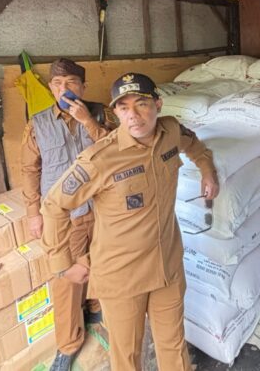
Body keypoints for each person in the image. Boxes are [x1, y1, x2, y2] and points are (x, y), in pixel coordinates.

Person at [40, 72, 219, 371]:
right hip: (122, 277)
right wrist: (62, 265)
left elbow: (194, 145)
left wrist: (206, 169)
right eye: (123, 108)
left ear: (158, 104)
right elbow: (54, 205)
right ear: (116, 111)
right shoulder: (100, 159)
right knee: (127, 357)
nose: (133, 116)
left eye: (141, 104)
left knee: (173, 346)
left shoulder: (171, 131)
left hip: (167, 266)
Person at [20, 58, 117, 371]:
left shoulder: (101, 113)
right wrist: (33, 213)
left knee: (102, 263)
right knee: (65, 281)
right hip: (64, 216)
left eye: (72, 83)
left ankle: (95, 305)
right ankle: (68, 344)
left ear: (83, 87)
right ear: (51, 88)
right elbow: (29, 169)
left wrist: (88, 120)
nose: (65, 89)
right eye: (58, 84)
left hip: (102, 209)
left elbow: (120, 153)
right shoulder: (38, 123)